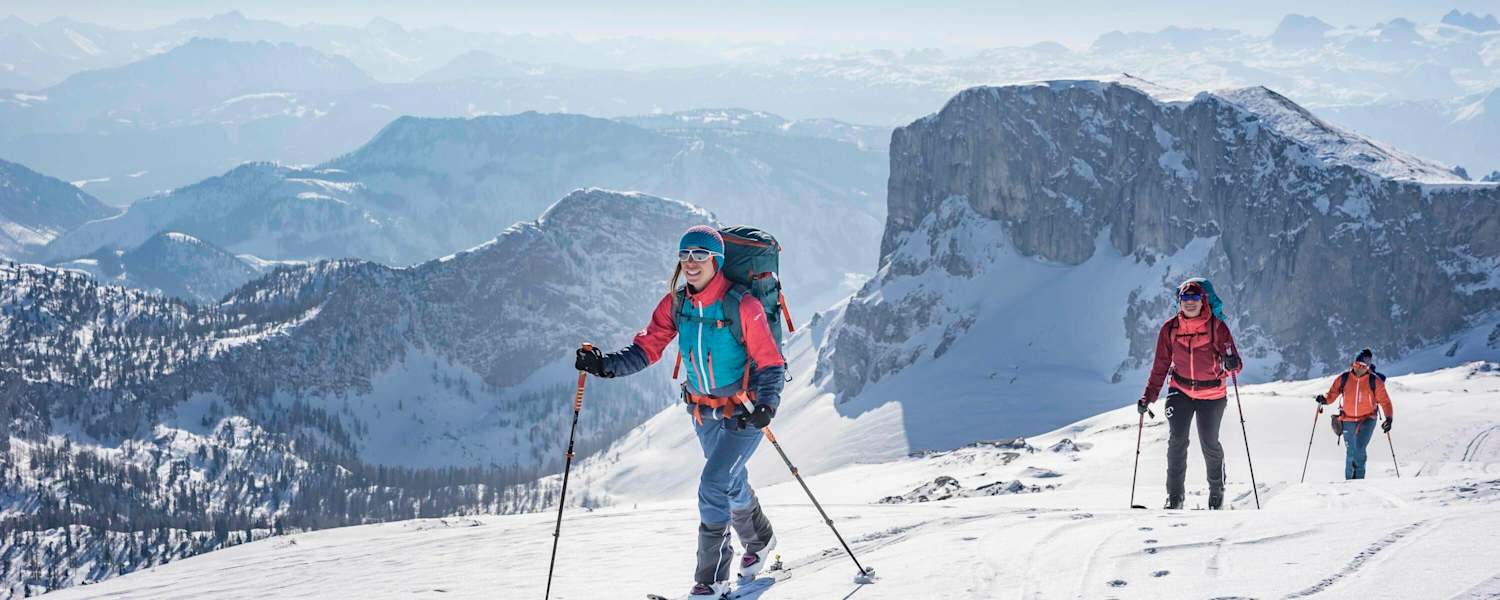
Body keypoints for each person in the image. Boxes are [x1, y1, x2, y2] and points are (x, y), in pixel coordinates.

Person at [575, 225, 786, 598]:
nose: (691, 262)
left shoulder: (742, 305)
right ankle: (761, 539)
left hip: (744, 411)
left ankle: (710, 581)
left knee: (713, 485)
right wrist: (603, 365)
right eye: (685, 254)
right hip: (702, 411)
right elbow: (645, 349)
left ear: (717, 261)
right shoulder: (677, 304)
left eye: (700, 255)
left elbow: (771, 363)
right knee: (729, 482)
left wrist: (766, 406)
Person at [1138, 278, 1243, 510]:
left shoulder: (1217, 326)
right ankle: (1175, 497)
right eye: (1186, 299)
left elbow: (1236, 363)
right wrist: (1148, 397)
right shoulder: (1170, 329)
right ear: (1179, 302)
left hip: (1212, 393)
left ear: (1203, 300)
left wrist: (1231, 362)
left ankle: (1216, 491)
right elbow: (1160, 366)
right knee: (1177, 441)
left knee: (1209, 442)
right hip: (1180, 390)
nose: (1190, 303)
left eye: (1195, 298)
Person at [1315, 348, 1394, 480]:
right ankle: (1349, 484)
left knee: (1359, 449)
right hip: (1347, 419)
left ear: (1367, 367)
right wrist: (1325, 399)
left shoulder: (1374, 381)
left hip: (1367, 419)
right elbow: (1332, 394)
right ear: (1353, 364)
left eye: (1363, 366)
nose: (1360, 369)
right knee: (1350, 452)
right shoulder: (1344, 378)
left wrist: (1389, 418)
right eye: (1357, 365)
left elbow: (1385, 402)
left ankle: (1359, 483)